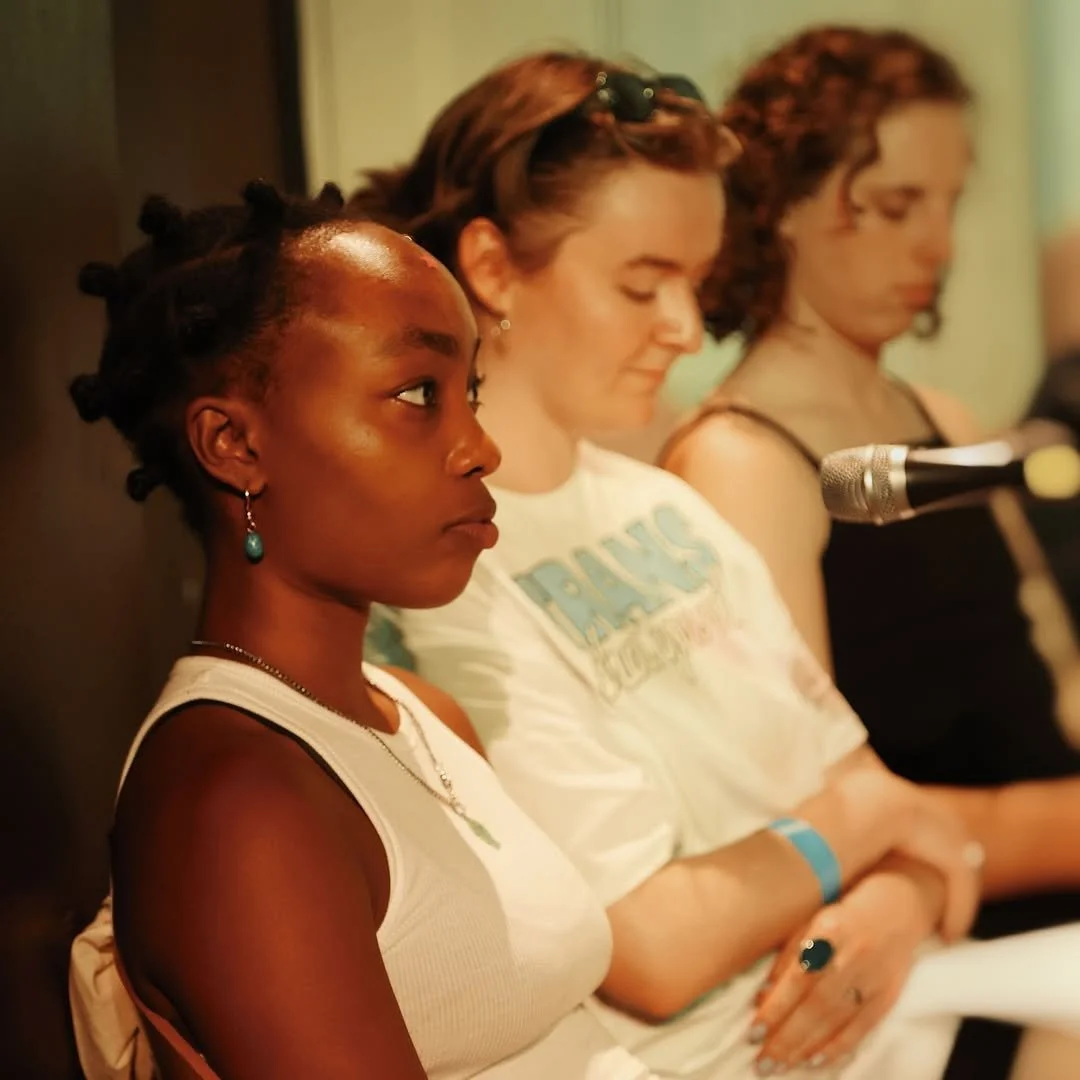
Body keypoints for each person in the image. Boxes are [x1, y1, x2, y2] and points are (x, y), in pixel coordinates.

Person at [350, 51, 992, 1080]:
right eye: (642, 284)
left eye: (693, 284)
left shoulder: (668, 510)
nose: (686, 331)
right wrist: (865, 828)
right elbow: (649, 945)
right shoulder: (444, 568)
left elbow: (891, 806)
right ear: (495, 267)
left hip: (884, 1013)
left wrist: (894, 899)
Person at [65, 181, 661, 1080]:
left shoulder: (420, 713)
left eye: (472, 392)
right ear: (235, 445)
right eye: (420, 393)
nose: (479, 447)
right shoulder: (235, 800)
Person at [659, 25, 1080, 1077]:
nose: (937, 245)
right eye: (896, 207)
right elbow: (812, 807)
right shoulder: (742, 459)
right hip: (936, 935)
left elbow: (1054, 678)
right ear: (784, 206)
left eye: (949, 203)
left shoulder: (935, 414)